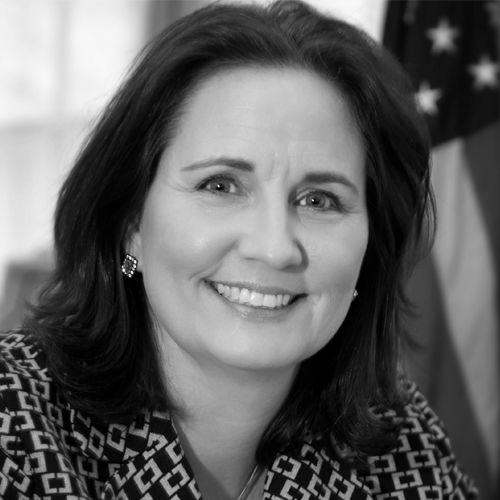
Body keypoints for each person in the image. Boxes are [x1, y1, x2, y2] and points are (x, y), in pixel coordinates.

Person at [0, 1, 478, 499]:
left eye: (319, 200)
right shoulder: (13, 424)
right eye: (220, 186)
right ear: (131, 220)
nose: (274, 249)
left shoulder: (404, 444)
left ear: (371, 246)